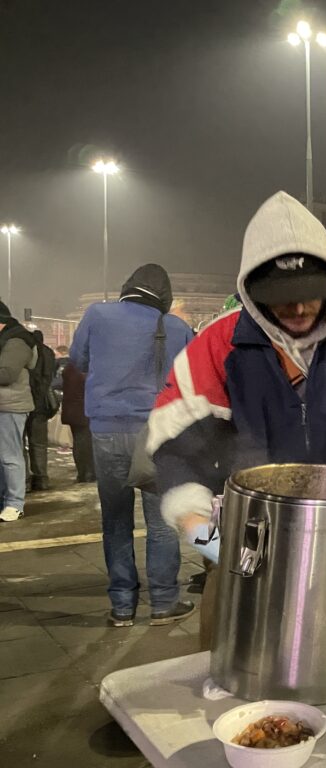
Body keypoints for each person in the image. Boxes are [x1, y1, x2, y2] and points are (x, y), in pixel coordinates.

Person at [147, 190, 326, 648]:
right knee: (243, 651)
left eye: (311, 296)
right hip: (250, 536)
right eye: (283, 300)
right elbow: (174, 442)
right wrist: (194, 520)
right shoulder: (219, 344)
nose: (301, 310)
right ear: (254, 294)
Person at [70, 264, 195, 627]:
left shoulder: (98, 314)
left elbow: (78, 360)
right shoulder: (177, 327)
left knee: (115, 520)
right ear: (165, 296)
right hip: (159, 433)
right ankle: (163, 602)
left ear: (128, 287)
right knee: (161, 522)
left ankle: (122, 606)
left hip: (107, 429)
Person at [0, 302, 37, 522]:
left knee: (10, 456)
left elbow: (6, 374)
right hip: (4, 405)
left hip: (10, 406)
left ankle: (14, 503)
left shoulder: (17, 341)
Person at [26, 329, 57, 491]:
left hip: (25, 402)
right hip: (42, 405)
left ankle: (24, 480)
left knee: (18, 443)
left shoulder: (26, 353)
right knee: (39, 443)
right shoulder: (49, 353)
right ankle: (41, 478)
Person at [60, 357, 94, 482]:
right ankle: (88, 473)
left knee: (79, 442)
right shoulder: (88, 370)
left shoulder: (69, 368)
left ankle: (82, 473)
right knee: (86, 442)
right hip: (84, 410)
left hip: (72, 410)